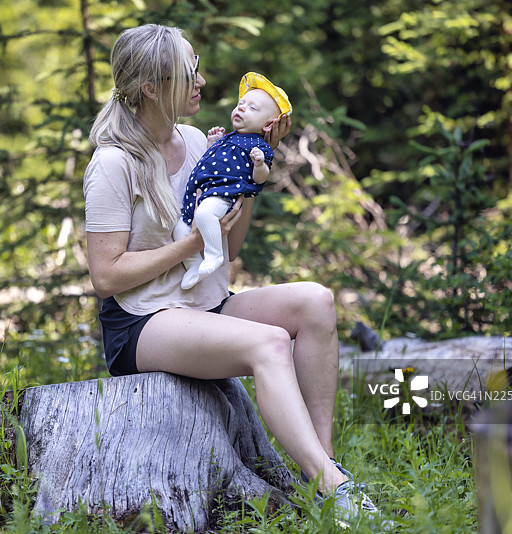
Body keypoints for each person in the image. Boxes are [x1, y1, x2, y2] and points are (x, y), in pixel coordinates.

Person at [83, 23, 385, 525]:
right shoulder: (114, 163)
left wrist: (249, 177)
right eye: (190, 73)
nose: (201, 81)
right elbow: (106, 277)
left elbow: (230, 249)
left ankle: (325, 469)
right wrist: (190, 245)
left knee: (317, 301)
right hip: (141, 323)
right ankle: (337, 491)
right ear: (152, 88)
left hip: (205, 300)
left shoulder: (197, 140)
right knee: (269, 343)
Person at [173, 72, 291, 290]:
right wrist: (212, 143)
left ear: (268, 125)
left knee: (205, 215)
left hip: (222, 194)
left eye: (252, 108)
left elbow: (258, 179)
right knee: (179, 230)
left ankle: (214, 255)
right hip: (200, 192)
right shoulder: (227, 138)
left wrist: (259, 164)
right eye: (241, 104)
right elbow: (211, 159)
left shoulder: (259, 147)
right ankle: (194, 265)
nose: (242, 108)